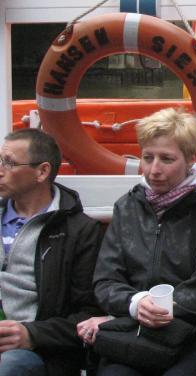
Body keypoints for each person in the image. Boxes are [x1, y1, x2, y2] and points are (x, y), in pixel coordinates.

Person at [79, 108, 196, 375]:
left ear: (191, 159)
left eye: (167, 159)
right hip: (140, 330)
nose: (154, 169)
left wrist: (155, 309)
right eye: (148, 157)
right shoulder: (127, 207)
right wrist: (136, 303)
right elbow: (106, 280)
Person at [0, 128, 102, 376]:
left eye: (9, 163)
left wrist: (32, 334)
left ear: (42, 171)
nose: (0, 170)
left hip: (33, 351)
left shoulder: (79, 231)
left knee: (9, 366)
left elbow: (90, 315)